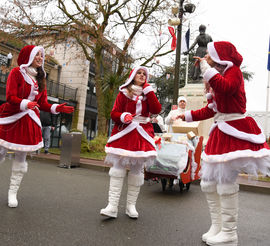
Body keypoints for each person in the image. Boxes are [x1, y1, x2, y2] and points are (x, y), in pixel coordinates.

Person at [179, 41, 270, 246]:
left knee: (226, 183)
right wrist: (183, 116)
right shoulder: (217, 78)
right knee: (208, 183)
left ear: (219, 56)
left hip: (235, 130)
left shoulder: (233, 72)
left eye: (210, 55)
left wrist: (206, 70)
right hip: (220, 132)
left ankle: (229, 233)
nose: (206, 57)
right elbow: (211, 110)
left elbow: (227, 89)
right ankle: (217, 226)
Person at [0, 45, 74, 208]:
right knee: (1, 151)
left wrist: (56, 108)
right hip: (11, 117)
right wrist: (26, 103)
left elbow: (42, 103)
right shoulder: (16, 73)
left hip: (28, 121)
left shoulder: (41, 77)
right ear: (29, 56)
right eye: (37, 55)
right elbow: (10, 96)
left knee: (21, 157)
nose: (41, 58)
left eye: (42, 55)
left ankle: (13, 192)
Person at [100, 66, 161, 219]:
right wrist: (123, 116)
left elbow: (156, 109)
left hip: (142, 135)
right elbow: (114, 113)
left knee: (137, 170)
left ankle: (131, 206)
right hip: (125, 133)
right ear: (133, 76)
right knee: (118, 168)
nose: (142, 75)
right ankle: (112, 206)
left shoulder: (148, 93)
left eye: (144, 74)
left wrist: (149, 91)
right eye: (139, 73)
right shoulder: (123, 93)